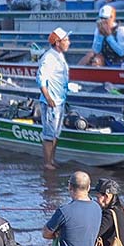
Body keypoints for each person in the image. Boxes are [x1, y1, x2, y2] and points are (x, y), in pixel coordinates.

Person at [37, 27, 71, 170]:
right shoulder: (49, 57)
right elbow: (41, 80)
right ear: (57, 43)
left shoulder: (59, 56)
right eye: (66, 40)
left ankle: (52, 160)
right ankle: (47, 163)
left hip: (59, 100)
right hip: (51, 102)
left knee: (56, 133)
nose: (68, 42)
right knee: (49, 134)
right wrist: (48, 97)